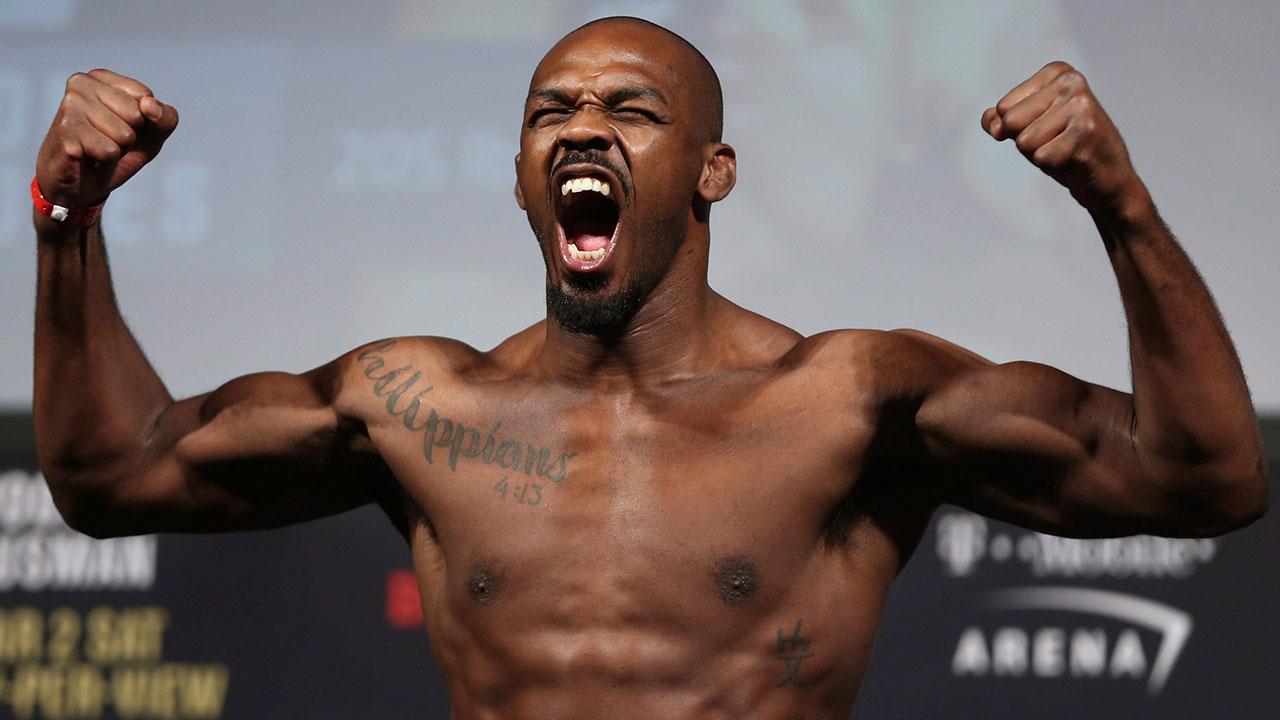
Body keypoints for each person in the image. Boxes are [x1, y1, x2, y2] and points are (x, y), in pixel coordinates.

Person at [30, 16, 1267, 720]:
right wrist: (66, 223)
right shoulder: (416, 403)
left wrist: (1118, 203)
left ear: (712, 171)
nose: (581, 127)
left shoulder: (845, 402)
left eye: (631, 110)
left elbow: (1201, 477)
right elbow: (109, 478)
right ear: (522, 177)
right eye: (550, 111)